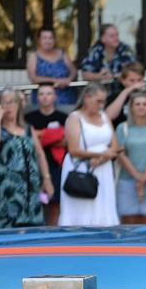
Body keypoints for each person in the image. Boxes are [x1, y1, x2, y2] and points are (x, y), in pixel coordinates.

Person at [0, 88, 54, 228]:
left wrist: (46, 178)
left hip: (30, 191)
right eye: (5, 103)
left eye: (12, 102)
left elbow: (39, 154)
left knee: (31, 233)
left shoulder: (28, 129)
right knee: (4, 234)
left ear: (18, 105)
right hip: (6, 192)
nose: (9, 106)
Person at [59, 82, 120, 227]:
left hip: (102, 168)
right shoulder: (74, 118)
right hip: (81, 167)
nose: (101, 105)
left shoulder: (104, 117)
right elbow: (73, 150)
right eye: (98, 101)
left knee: (103, 206)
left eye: (103, 101)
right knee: (81, 208)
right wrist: (100, 155)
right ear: (87, 98)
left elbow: (115, 146)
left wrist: (102, 159)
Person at [116, 90, 146, 224]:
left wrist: (144, 177)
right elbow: (121, 154)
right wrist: (138, 177)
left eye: (145, 104)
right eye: (137, 104)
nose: (141, 107)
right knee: (128, 221)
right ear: (131, 107)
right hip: (127, 179)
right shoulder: (122, 128)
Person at [26, 83, 69, 226]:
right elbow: (28, 141)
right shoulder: (29, 118)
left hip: (57, 166)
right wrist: (52, 135)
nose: (45, 97)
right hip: (33, 166)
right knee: (36, 202)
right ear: (37, 97)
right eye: (41, 94)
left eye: (49, 93)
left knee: (55, 202)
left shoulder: (63, 117)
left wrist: (40, 135)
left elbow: (66, 141)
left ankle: (52, 233)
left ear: (55, 96)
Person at [104, 61, 146, 127]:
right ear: (123, 81)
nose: (136, 84)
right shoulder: (113, 98)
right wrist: (126, 91)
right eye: (132, 81)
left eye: (139, 80)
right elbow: (107, 117)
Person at [27, 27, 77, 107]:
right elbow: (34, 78)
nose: (48, 41)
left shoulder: (62, 54)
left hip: (67, 98)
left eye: (50, 38)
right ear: (39, 40)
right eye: (45, 38)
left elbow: (73, 71)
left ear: (54, 40)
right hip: (44, 100)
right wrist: (56, 81)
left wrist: (69, 79)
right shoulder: (34, 56)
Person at [81, 23, 135, 96]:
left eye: (117, 35)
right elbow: (85, 74)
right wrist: (99, 76)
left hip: (124, 95)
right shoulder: (95, 51)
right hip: (100, 96)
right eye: (112, 36)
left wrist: (116, 76)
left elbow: (134, 71)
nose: (116, 38)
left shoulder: (126, 50)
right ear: (103, 39)